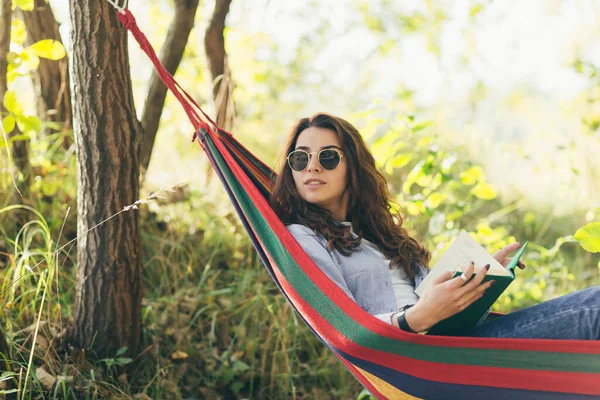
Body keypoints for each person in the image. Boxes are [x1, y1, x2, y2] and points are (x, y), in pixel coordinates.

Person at [270, 113, 600, 339]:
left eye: (328, 157)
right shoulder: (302, 237)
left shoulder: (377, 234)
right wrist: (416, 317)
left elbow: (429, 298)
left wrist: (476, 279)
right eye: (300, 158)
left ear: (352, 168)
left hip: (454, 339)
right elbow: (341, 327)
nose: (312, 166)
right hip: (425, 357)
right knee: (592, 317)